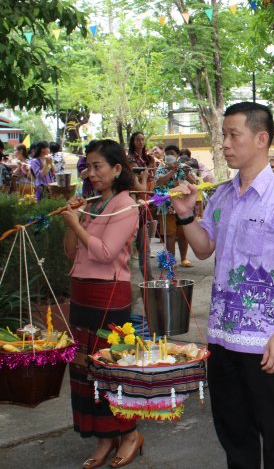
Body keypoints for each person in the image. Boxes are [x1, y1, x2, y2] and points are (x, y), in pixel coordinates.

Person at [171, 101, 274, 469]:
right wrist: (186, 213)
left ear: (261, 138)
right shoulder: (222, 195)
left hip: (264, 340)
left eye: (234, 135)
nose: (226, 144)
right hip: (220, 336)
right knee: (233, 433)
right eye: (224, 136)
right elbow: (203, 248)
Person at [60, 139, 143, 469]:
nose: (90, 173)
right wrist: (74, 218)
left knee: (110, 371)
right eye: (88, 166)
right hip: (81, 294)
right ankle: (104, 437)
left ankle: (130, 433)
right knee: (84, 370)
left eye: (98, 166)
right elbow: (71, 251)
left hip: (108, 295)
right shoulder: (92, 203)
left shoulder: (126, 205)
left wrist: (76, 225)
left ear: (117, 169)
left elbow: (106, 253)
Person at [154, 145, 196, 267]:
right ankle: (170, 260)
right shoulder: (161, 168)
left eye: (172, 153)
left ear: (177, 155)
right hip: (167, 206)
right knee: (170, 235)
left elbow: (195, 183)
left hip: (183, 206)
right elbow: (159, 182)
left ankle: (184, 258)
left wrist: (188, 175)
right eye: (167, 153)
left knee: (183, 234)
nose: (169, 156)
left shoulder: (184, 168)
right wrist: (171, 171)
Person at [127, 132, 156, 280]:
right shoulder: (131, 159)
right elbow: (139, 186)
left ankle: (148, 279)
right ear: (133, 141)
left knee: (144, 244)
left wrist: (151, 166)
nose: (140, 142)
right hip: (133, 204)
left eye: (142, 139)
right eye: (137, 139)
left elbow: (152, 177)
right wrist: (144, 176)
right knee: (134, 244)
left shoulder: (146, 157)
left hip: (145, 203)